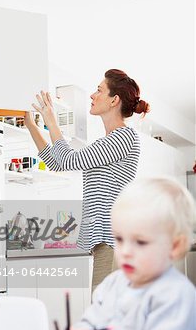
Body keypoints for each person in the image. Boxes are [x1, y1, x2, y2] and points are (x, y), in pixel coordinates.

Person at [54, 177, 196, 330]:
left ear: (175, 246)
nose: (126, 251)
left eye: (140, 242)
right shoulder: (112, 283)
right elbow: (91, 322)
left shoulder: (176, 293)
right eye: (119, 239)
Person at [25, 69, 150, 293]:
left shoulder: (123, 138)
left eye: (99, 90)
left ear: (114, 100)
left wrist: (51, 119)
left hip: (115, 242)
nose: (92, 95)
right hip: (107, 243)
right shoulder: (106, 143)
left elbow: (68, 159)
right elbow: (58, 163)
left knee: (105, 316)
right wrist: (31, 126)